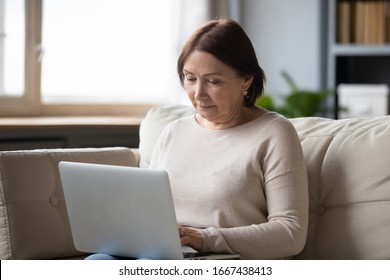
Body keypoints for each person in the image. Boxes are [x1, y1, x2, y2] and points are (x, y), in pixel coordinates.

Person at [87, 18, 308, 260]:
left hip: (221, 257)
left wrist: (205, 238)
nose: (198, 94)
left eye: (213, 81)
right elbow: (148, 212)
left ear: (246, 79)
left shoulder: (274, 133)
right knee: (97, 261)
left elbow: (290, 233)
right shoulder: (173, 132)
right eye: (190, 78)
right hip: (161, 251)